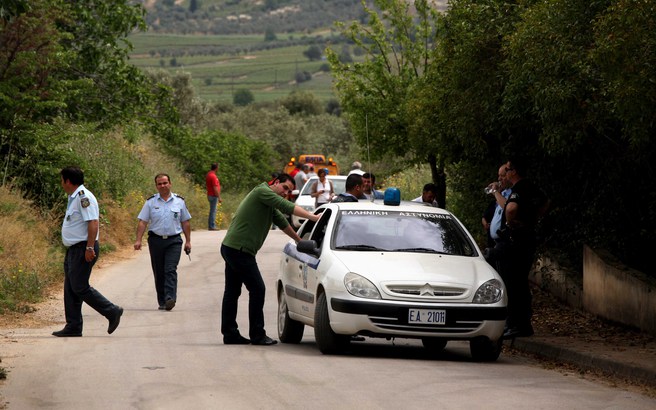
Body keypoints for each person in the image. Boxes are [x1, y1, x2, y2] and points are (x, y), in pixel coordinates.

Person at [220, 174, 320, 346]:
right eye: (284, 188)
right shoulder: (262, 192)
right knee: (258, 289)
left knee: (232, 291)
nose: (285, 193)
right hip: (239, 250)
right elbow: (286, 207)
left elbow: (282, 222)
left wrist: (299, 241)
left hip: (233, 248)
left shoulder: (267, 202)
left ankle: (230, 334)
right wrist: (314, 217)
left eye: (289, 191)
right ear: (274, 183)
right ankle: (257, 335)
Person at [52, 166, 123, 337]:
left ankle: (111, 311)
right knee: (70, 287)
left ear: (67, 181)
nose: (61, 184)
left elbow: (93, 222)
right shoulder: (74, 197)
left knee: (79, 286)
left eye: (62, 180)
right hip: (74, 249)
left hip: (84, 248)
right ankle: (73, 326)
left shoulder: (84, 197)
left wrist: (90, 247)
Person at [495, 159, 550, 339]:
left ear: (513, 172)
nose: (506, 174)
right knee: (521, 283)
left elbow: (510, 209)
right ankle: (523, 324)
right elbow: (545, 202)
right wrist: (533, 220)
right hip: (528, 240)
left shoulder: (519, 189)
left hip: (516, 242)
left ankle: (515, 324)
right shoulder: (533, 188)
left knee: (513, 284)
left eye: (507, 170)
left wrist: (511, 224)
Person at [134, 174, 192, 311]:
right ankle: (162, 301)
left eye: (165, 183)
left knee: (170, 269)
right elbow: (143, 221)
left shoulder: (179, 202)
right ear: (156, 186)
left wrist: (188, 241)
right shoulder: (150, 202)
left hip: (174, 240)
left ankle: (170, 298)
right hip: (156, 241)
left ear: (170, 184)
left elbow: (185, 221)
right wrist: (138, 240)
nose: (163, 186)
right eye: (159, 184)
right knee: (159, 271)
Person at [482, 164, 513, 248]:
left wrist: (495, 192)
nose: (499, 179)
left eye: (502, 176)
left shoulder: (513, 192)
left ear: (510, 175)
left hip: (506, 243)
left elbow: (507, 207)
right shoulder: (503, 193)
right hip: (495, 243)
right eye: (498, 176)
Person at [206, 163, 222, 231]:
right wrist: (219, 197)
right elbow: (215, 187)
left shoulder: (208, 174)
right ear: (216, 168)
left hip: (210, 194)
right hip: (213, 195)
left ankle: (211, 225)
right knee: (213, 211)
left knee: (212, 210)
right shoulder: (213, 176)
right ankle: (212, 226)